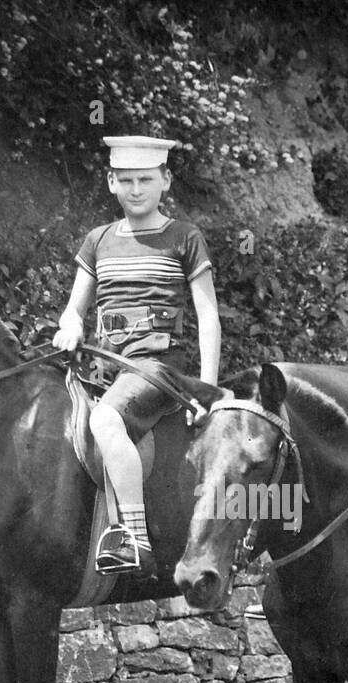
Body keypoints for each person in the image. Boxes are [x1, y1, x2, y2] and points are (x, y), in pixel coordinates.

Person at [53, 135, 221, 575]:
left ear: (165, 180)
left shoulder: (184, 237)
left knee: (105, 420)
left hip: (157, 367)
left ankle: (132, 537)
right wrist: (70, 325)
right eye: (125, 180)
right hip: (102, 365)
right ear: (111, 182)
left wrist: (205, 388)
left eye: (146, 179)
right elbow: (75, 307)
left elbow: (207, 315)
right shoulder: (98, 240)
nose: (135, 189)